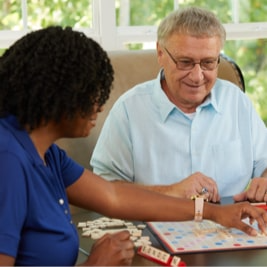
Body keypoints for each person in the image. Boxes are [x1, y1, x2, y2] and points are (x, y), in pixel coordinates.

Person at [0, 26, 267, 267]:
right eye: (93, 95)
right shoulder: (8, 160)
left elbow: (113, 196)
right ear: (59, 94)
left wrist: (213, 213)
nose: (101, 106)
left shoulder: (48, 155)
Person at [90, 6, 267, 203]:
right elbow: (103, 190)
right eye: (185, 62)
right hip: (155, 227)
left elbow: (264, 162)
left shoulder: (236, 101)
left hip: (231, 229)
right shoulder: (129, 111)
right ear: (160, 54)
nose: (197, 76)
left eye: (208, 62)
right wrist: (171, 191)